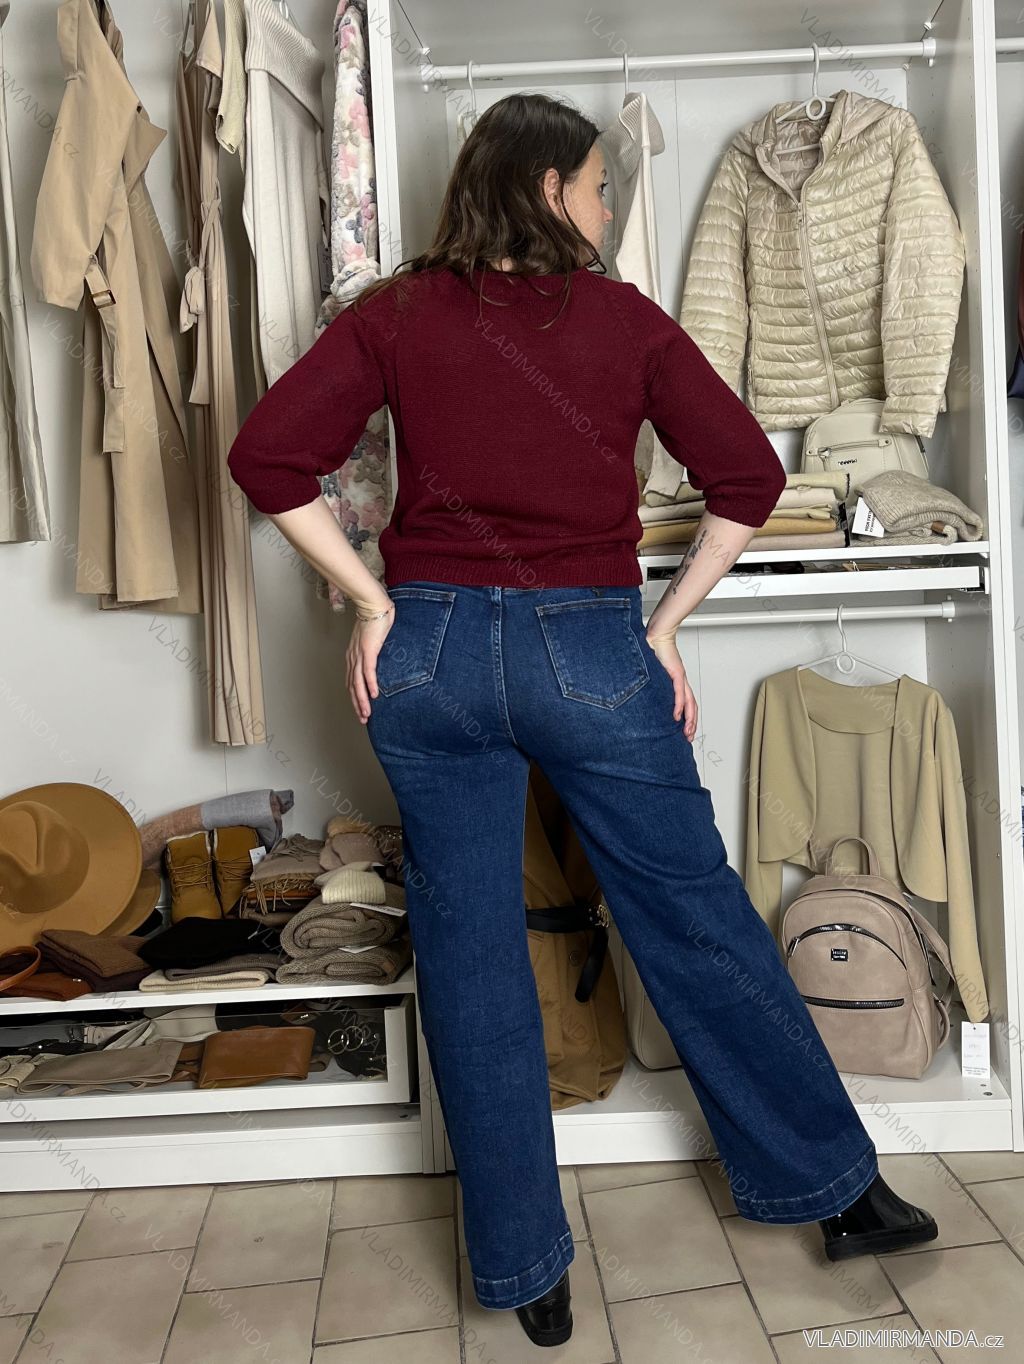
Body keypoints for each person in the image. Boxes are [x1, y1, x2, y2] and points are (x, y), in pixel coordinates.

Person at [227, 92, 938, 1349]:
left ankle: (522, 1269)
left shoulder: (395, 312)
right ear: (549, 186)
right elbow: (749, 476)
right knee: (693, 915)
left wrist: (373, 602)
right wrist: (664, 625)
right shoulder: (624, 320)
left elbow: (266, 458)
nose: (609, 209)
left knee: (471, 949)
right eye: (601, 186)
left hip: (431, 656)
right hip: (588, 649)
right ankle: (841, 1191)